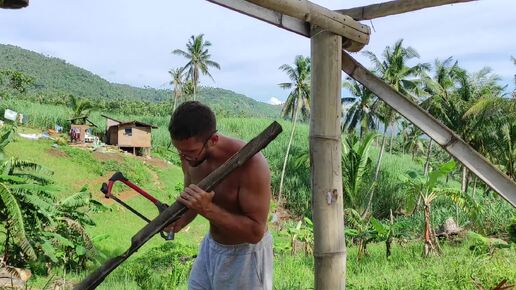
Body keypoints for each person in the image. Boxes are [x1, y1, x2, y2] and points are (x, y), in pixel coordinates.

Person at [165, 101, 273, 290]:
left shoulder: (252, 165)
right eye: (179, 150)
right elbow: (193, 199)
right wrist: (180, 222)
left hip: (247, 257)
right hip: (211, 247)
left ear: (213, 140)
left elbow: (255, 232)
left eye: (189, 152)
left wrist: (207, 209)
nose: (183, 158)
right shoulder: (189, 158)